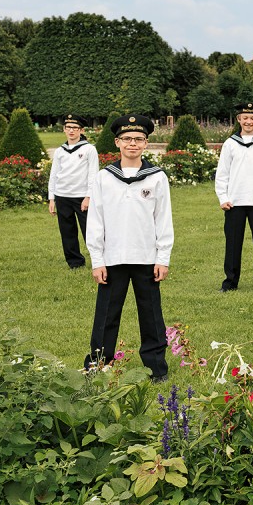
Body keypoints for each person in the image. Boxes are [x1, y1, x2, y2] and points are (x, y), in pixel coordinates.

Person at [84, 115, 173, 383]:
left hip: (146, 257)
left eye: (138, 139)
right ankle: (99, 363)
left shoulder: (156, 177)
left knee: (151, 315)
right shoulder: (104, 178)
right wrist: (97, 259)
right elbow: (96, 220)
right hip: (113, 257)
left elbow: (163, 220)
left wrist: (163, 257)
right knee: (106, 315)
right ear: (117, 142)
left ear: (146, 143)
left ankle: (156, 367)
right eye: (127, 139)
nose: (132, 143)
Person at [215, 102, 253, 293]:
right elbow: (222, 173)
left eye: (252, 118)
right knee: (233, 244)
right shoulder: (230, 143)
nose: (248, 122)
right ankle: (230, 282)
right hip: (234, 202)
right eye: (245, 118)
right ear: (239, 120)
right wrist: (223, 197)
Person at [48, 114, 98, 269]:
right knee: (67, 231)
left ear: (81, 130)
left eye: (75, 128)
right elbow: (54, 174)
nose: (71, 131)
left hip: (81, 197)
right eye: (68, 127)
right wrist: (52, 198)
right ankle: (75, 262)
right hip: (62, 196)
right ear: (64, 129)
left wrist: (88, 196)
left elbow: (93, 175)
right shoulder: (60, 151)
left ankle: (99, 260)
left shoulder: (89, 149)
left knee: (90, 231)